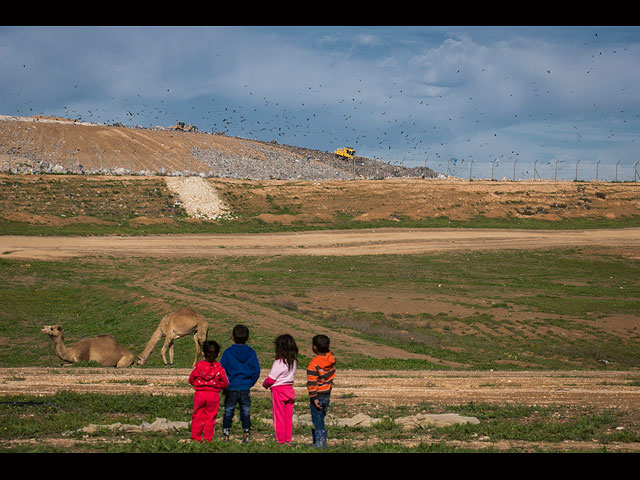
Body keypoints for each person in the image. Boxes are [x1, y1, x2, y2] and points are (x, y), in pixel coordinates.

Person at [220, 324, 261, 443]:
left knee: (228, 410)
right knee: (245, 411)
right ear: (248, 337)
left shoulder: (228, 352)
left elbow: (222, 370)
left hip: (231, 387)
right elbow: (256, 370)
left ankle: (226, 433)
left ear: (232, 337)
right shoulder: (251, 352)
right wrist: (250, 383)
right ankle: (246, 433)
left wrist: (225, 384)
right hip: (245, 387)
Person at [189, 340, 229, 442]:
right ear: (218, 354)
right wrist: (218, 386)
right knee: (210, 418)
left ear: (202, 353)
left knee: (197, 416)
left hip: (199, 395)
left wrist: (199, 384)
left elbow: (191, 379)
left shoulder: (197, 367)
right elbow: (225, 383)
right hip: (213, 396)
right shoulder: (220, 369)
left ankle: (195, 438)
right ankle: (208, 439)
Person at [262, 334, 298, 445]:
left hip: (279, 391)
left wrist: (265, 384)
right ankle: (287, 439)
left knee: (278, 416)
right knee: (288, 416)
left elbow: (271, 378)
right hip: (289, 390)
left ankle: (280, 440)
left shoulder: (278, 363)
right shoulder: (293, 362)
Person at [306, 334, 335, 448]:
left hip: (318, 395)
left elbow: (312, 383)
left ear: (314, 348)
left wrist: (313, 397)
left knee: (317, 419)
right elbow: (330, 352)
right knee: (321, 417)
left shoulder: (313, 365)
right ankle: (317, 441)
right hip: (327, 394)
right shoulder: (331, 359)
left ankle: (320, 443)